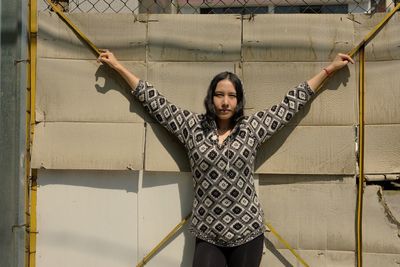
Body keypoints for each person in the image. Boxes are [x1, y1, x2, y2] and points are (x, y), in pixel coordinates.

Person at [97, 50, 354, 267]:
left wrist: (329, 70)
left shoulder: (252, 129)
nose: (225, 101)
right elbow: (156, 102)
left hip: (248, 232)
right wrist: (118, 67)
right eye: (220, 95)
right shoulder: (191, 127)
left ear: (239, 101)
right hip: (208, 234)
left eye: (232, 96)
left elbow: (290, 104)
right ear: (211, 98)